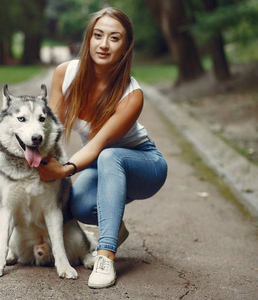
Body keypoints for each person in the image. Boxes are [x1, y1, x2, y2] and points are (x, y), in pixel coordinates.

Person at [37, 7, 168, 289]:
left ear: (125, 47)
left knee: (110, 156)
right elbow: (51, 130)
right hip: (103, 166)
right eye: (98, 35)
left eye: (114, 38)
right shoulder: (65, 74)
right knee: (79, 205)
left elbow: (98, 145)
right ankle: (115, 226)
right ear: (89, 39)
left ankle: (105, 254)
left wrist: (64, 170)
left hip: (145, 166)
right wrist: (24, 162)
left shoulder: (131, 95)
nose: (104, 44)